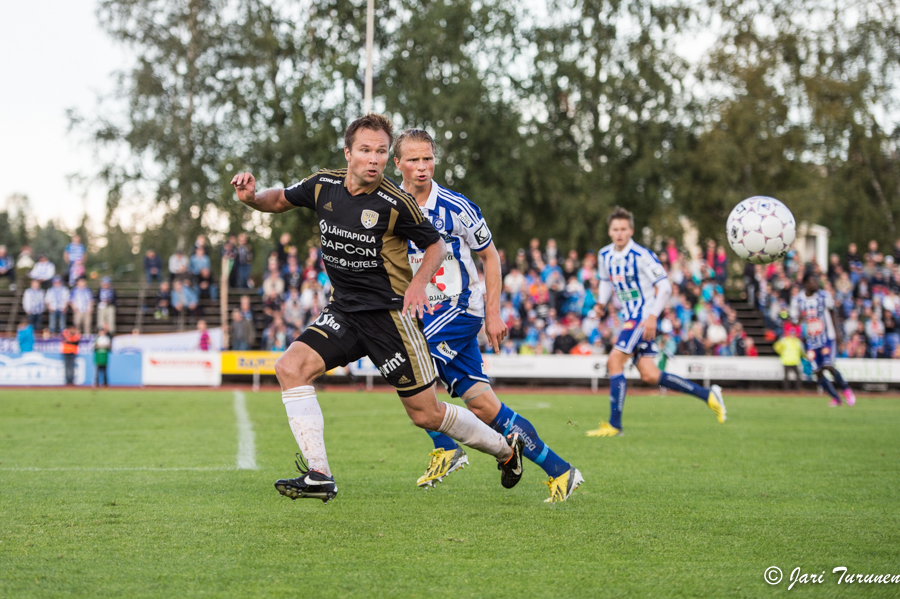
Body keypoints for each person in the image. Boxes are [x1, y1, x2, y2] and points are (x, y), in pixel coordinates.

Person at [231, 113, 524, 503]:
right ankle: (320, 473)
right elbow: (281, 198)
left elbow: (436, 245)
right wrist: (252, 198)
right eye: (366, 150)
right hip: (345, 312)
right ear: (348, 152)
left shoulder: (396, 203)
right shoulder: (323, 186)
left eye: (382, 152)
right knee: (289, 367)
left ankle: (506, 451)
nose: (374, 159)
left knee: (427, 414)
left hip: (391, 320)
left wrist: (418, 286)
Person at [395, 128, 580, 502]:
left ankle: (446, 446)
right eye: (412, 159)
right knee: (484, 405)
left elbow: (490, 256)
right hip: (426, 314)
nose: (421, 167)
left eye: (427, 158)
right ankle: (561, 471)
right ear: (396, 163)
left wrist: (493, 313)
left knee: (406, 363)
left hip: (460, 307)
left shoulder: (456, 207)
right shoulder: (391, 206)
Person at [587, 207, 726, 437]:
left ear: (631, 230)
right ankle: (708, 395)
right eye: (615, 229)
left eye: (624, 229)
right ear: (609, 231)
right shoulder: (605, 255)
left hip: (641, 317)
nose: (619, 233)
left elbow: (664, 287)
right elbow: (604, 281)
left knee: (614, 362)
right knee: (650, 374)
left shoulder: (642, 255)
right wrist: (601, 304)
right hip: (629, 318)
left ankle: (615, 425)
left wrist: (652, 316)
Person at [790, 272, 856, 406]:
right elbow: (794, 321)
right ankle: (836, 398)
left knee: (828, 366)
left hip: (827, 338)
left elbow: (833, 314)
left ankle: (846, 389)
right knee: (818, 372)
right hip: (811, 341)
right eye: (813, 281)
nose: (816, 283)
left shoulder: (824, 296)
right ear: (806, 284)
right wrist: (798, 320)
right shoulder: (798, 299)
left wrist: (838, 335)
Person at [773, 324, 803, 391]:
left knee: (797, 376)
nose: (792, 334)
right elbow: (776, 346)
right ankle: (786, 390)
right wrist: (781, 353)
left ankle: (798, 389)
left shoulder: (797, 341)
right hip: (786, 361)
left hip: (795, 361)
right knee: (786, 377)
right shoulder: (785, 340)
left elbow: (801, 351)